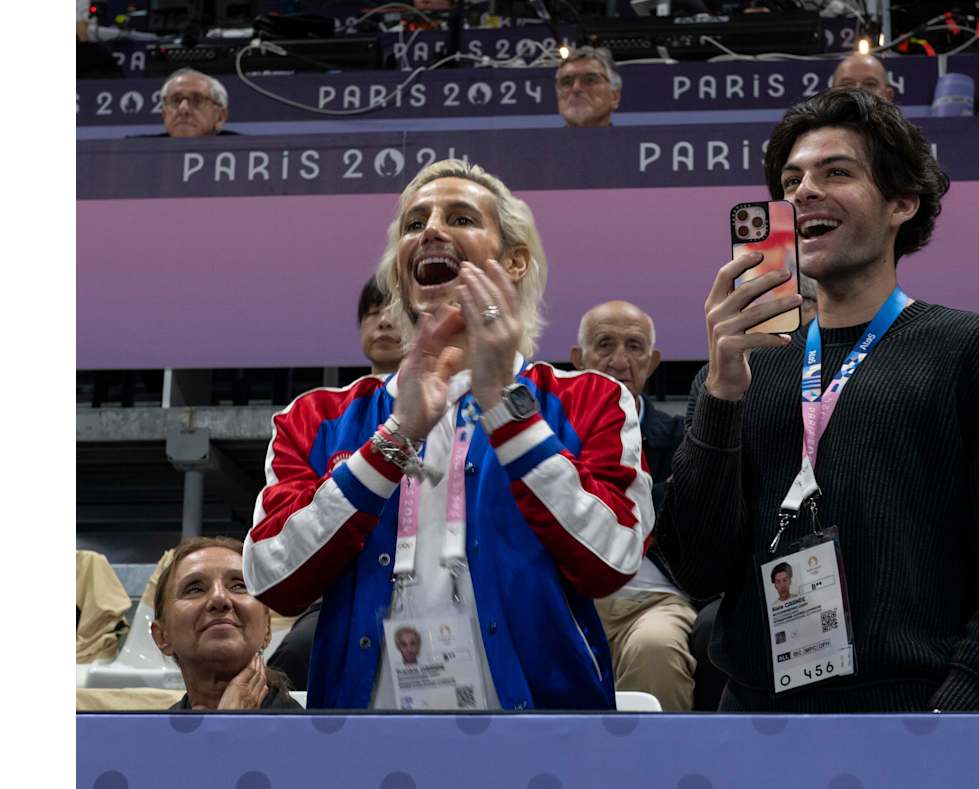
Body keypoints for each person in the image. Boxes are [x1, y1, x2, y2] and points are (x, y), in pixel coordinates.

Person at [658, 87, 979, 713]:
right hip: (755, 723)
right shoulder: (739, 372)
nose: (804, 191)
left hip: (922, 724)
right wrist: (722, 395)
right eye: (792, 178)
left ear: (901, 204)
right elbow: (696, 570)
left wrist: (953, 717)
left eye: (837, 172)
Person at [244, 159, 653, 711]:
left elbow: (613, 559)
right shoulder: (316, 417)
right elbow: (273, 578)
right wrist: (397, 435)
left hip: (544, 739)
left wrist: (504, 409)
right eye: (414, 225)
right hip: (363, 740)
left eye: (460, 217)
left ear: (514, 261)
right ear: (399, 274)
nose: (431, 230)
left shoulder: (590, 400)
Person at [266, 276, 408, 690]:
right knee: (294, 653)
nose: (382, 323)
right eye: (371, 313)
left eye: (393, 312)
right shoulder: (316, 415)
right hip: (339, 596)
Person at [570, 300, 697, 712]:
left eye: (635, 347)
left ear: (654, 361)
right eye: (604, 344)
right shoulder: (545, 432)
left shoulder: (683, 437)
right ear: (578, 358)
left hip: (652, 600)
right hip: (565, 597)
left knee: (656, 647)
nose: (619, 360)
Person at [150, 536, 301, 710]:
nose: (219, 598)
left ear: (267, 627)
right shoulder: (156, 735)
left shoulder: (306, 733)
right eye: (195, 589)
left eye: (238, 586)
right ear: (162, 636)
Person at [556, 46, 621, 128]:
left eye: (590, 80)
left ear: (615, 97)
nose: (576, 88)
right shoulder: (538, 140)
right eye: (567, 82)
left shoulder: (630, 140)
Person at [157, 68, 232, 138]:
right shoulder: (145, 148)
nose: (183, 109)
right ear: (164, 114)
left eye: (197, 100)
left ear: (220, 117)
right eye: (176, 100)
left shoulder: (242, 147)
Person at [358, 274, 405, 375]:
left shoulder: (442, 390)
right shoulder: (352, 391)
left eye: (397, 311)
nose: (384, 321)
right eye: (373, 312)